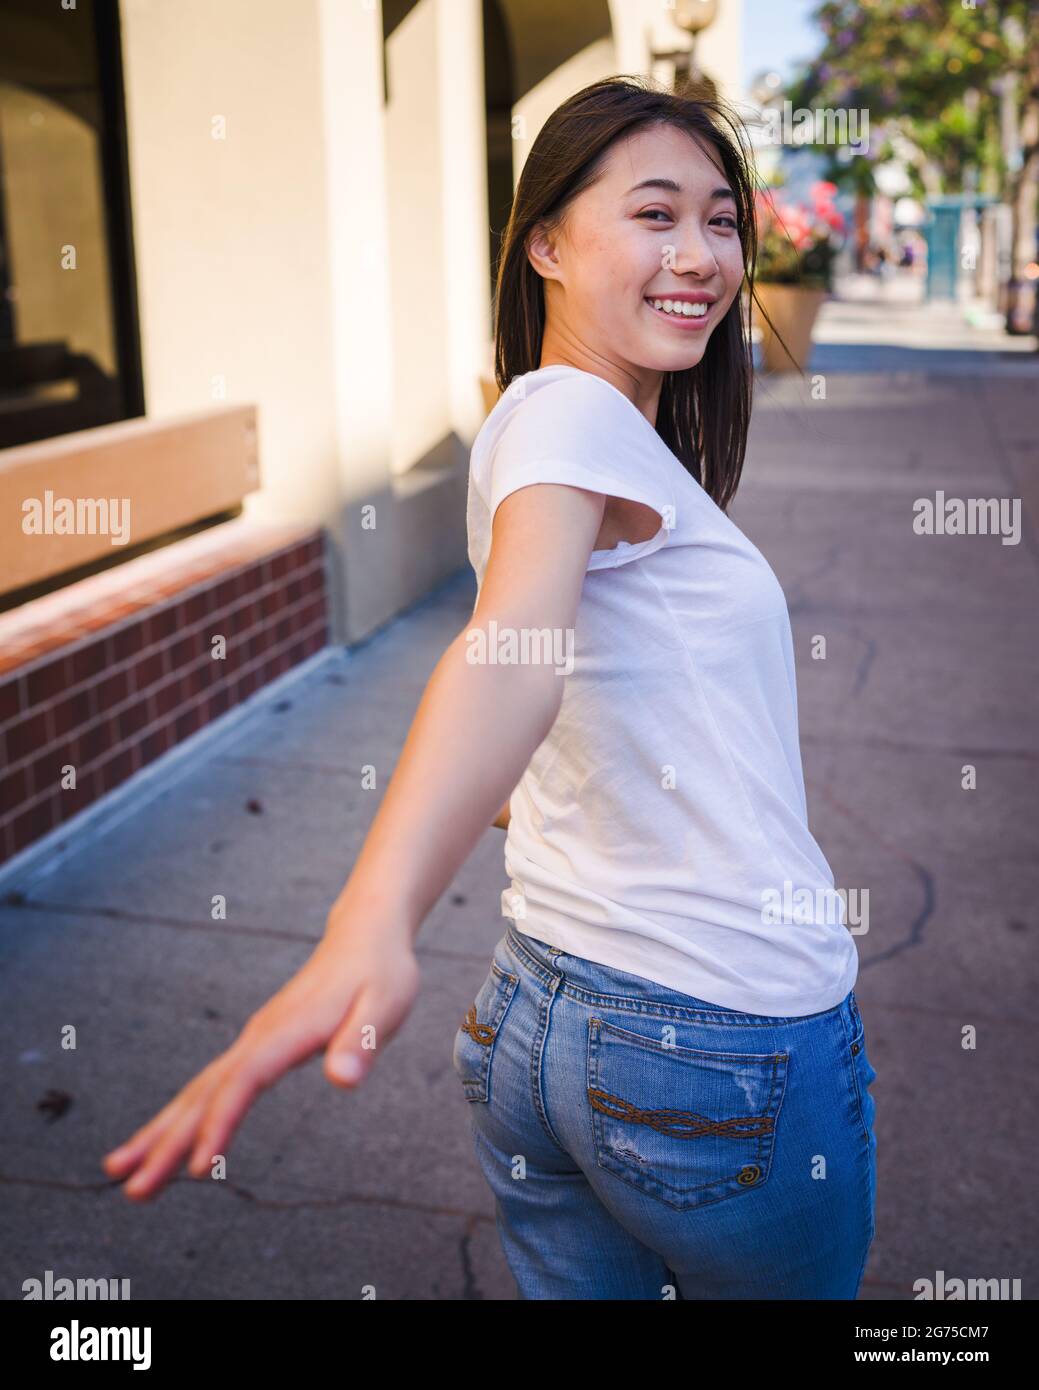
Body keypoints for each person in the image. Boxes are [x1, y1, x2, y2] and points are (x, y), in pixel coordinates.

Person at [102, 75, 877, 1301]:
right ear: (548, 248)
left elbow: (545, 693)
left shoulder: (575, 434)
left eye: (722, 220)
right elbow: (509, 654)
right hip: (716, 1044)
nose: (701, 254)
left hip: (545, 1021)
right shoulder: (566, 412)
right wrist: (373, 915)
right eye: (655, 214)